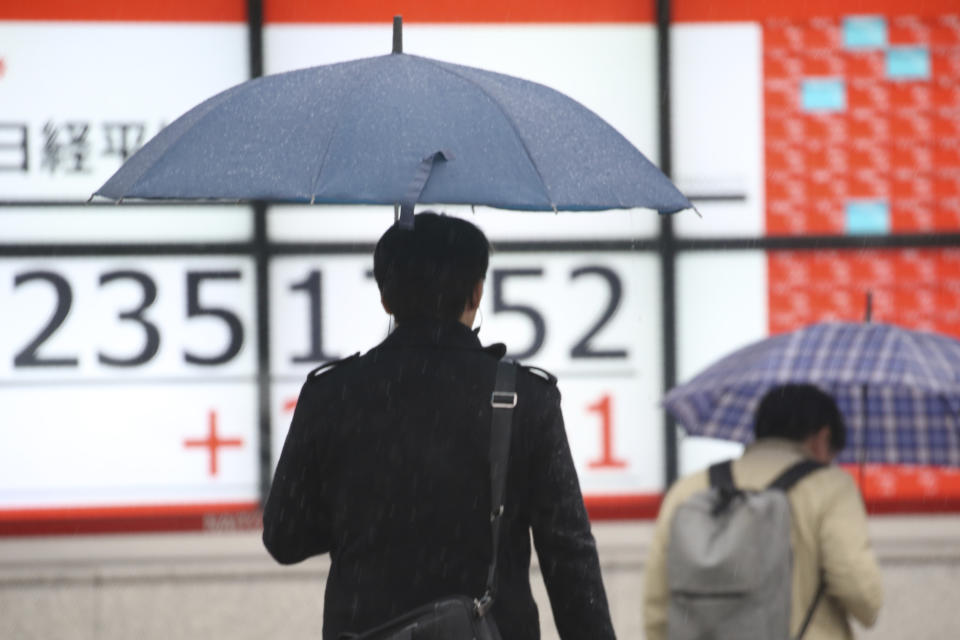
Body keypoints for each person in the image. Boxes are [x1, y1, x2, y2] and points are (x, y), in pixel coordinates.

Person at [263, 211, 616, 640]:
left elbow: (284, 538)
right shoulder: (524, 398)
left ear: (385, 299)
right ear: (476, 291)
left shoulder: (332, 393)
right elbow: (568, 553)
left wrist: (366, 516)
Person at [643, 384, 884, 640]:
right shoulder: (831, 487)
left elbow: (658, 601)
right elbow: (862, 596)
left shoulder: (689, 489)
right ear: (822, 438)